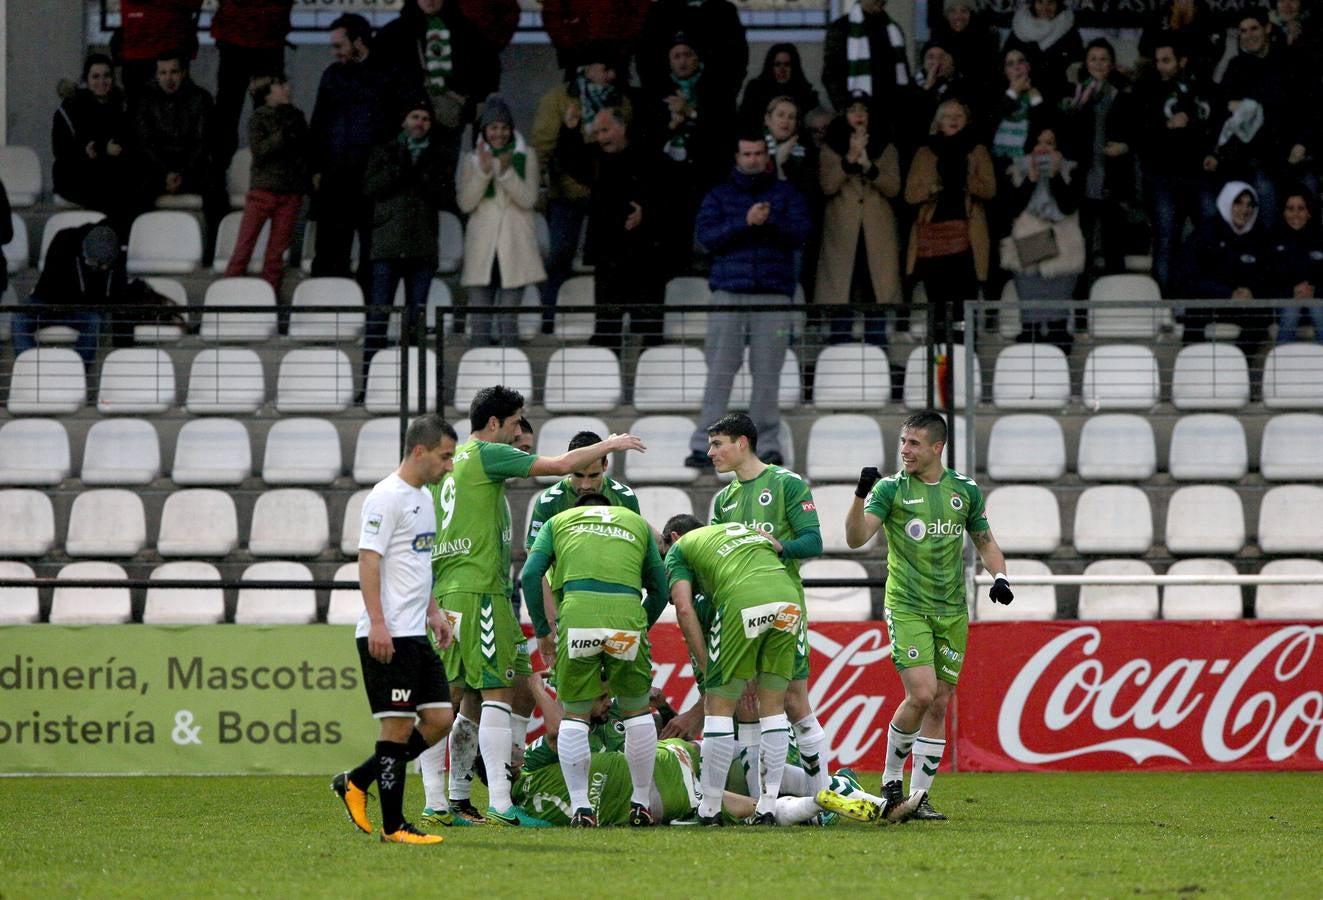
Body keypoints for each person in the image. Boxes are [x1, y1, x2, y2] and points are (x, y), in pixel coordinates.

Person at [430, 384, 646, 826]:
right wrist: (614, 443)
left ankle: (451, 800)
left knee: (461, 695)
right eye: (514, 425)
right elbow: (563, 465)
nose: (516, 435)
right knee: (495, 692)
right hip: (480, 589)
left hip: (449, 588)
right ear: (494, 424)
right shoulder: (486, 453)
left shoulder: (449, 467)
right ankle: (501, 804)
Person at [844, 410, 1013, 821]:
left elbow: (986, 541)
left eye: (914, 443)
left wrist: (1001, 577)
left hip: (952, 609)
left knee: (939, 702)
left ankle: (919, 798)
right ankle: (889, 782)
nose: (905, 450)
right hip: (907, 605)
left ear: (937, 448)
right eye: (903, 442)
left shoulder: (964, 490)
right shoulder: (890, 489)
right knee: (920, 694)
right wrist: (859, 495)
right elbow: (855, 539)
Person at [331, 413, 458, 846]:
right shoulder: (385, 497)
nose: (449, 466)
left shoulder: (424, 499)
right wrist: (379, 624)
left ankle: (357, 780)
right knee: (397, 728)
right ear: (419, 451)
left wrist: (434, 612)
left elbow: (416, 565)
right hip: (387, 634)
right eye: (445, 457)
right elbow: (369, 561)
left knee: (440, 719)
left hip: (415, 631)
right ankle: (394, 826)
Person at [521, 494, 669, 827]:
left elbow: (531, 575)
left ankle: (581, 808)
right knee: (636, 711)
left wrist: (543, 631)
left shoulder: (559, 521)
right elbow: (660, 589)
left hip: (578, 612)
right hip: (626, 613)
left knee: (574, 714)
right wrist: (639, 625)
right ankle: (641, 803)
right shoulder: (637, 523)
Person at [702, 413, 829, 795]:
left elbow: (814, 542)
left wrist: (780, 546)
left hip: (783, 608)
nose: (711, 453)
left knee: (793, 699)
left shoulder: (786, 484)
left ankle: (822, 795)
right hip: (739, 611)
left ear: (742, 443)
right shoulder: (724, 500)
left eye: (717, 444)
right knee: (748, 701)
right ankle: (762, 802)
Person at [661, 514, 802, 825]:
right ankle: (766, 807)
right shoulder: (739, 528)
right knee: (773, 708)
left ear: (671, 539)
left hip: (743, 598)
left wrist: (705, 663)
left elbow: (683, 607)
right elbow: (774, 546)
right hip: (788, 597)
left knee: (718, 706)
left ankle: (709, 810)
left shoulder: (679, 549)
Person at [683, 133, 810, 471]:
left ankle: (765, 445)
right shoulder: (720, 195)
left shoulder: (785, 194)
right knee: (719, 373)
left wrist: (770, 220)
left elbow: (801, 233)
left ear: (766, 155)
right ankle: (706, 445)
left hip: (773, 295)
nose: (752, 159)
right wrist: (745, 221)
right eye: (747, 153)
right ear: (737, 156)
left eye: (758, 153)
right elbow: (704, 239)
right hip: (728, 293)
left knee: (768, 375)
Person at [531, 48, 634, 329]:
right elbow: (543, 145)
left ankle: (605, 323)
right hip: (566, 193)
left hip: (605, 196)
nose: (611, 75)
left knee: (608, 260)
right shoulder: (558, 99)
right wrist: (538, 187)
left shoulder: (621, 101)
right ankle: (549, 320)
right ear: (587, 68)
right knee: (559, 256)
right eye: (605, 68)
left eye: (615, 70)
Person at [374, 0, 501, 213]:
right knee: (404, 187)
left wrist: (472, 103)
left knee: (441, 187)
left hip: (446, 123)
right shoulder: (395, 33)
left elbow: (488, 71)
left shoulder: (467, 31)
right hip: (404, 127)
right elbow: (378, 78)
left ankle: (442, 240)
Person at [308, 14, 407, 284]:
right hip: (336, 179)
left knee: (372, 257)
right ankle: (328, 316)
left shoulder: (390, 73)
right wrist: (316, 168)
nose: (334, 52)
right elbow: (318, 125)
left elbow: (399, 128)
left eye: (339, 45)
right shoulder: (332, 75)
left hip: (374, 181)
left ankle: (366, 319)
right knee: (330, 253)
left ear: (359, 42)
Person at [555, 107, 664, 350]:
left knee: (649, 330)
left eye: (605, 130)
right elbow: (570, 160)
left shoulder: (647, 155)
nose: (601, 137)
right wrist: (571, 130)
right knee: (607, 328)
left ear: (622, 127)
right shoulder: (594, 156)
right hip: (608, 254)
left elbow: (669, 193)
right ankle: (608, 382)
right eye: (597, 132)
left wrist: (647, 212)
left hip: (645, 255)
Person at [362, 101, 450, 375]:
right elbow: (370, 187)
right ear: (404, 121)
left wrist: (422, 173)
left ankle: (412, 382)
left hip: (421, 249)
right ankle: (369, 381)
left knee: (415, 321)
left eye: (425, 118)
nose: (420, 122)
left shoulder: (438, 155)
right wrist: (401, 168)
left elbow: (445, 195)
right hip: (387, 247)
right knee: (377, 319)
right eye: (415, 116)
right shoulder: (385, 151)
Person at [457, 95, 545, 347]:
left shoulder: (526, 156)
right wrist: (484, 172)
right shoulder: (472, 159)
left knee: (509, 324)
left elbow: (528, 199)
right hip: (482, 249)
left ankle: (511, 382)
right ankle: (480, 382)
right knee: (480, 327)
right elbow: (465, 203)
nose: (499, 133)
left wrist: (505, 172)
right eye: (494, 127)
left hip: (514, 248)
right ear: (485, 130)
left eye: (504, 127)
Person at [816, 92, 902, 347]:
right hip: (843, 236)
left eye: (864, 110)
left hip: (876, 235)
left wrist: (869, 167)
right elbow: (827, 186)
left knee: (876, 297)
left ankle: (878, 362)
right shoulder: (830, 146)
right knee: (841, 297)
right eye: (853, 109)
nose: (859, 115)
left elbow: (894, 187)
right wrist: (849, 160)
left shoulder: (886, 146)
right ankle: (838, 359)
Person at [905, 99, 996, 342]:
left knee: (962, 310)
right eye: (947, 116)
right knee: (937, 310)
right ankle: (941, 372)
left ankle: (965, 367)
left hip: (966, 238)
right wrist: (932, 188)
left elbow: (990, 189)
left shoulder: (976, 149)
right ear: (938, 122)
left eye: (959, 115)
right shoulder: (925, 151)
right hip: (934, 238)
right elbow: (910, 194)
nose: (954, 119)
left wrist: (967, 182)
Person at [649, 34, 738, 277]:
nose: (682, 61)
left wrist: (690, 112)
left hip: (706, 177)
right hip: (670, 181)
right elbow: (648, 138)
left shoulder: (716, 88)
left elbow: (725, 132)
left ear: (698, 58)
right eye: (676, 56)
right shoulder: (657, 92)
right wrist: (672, 125)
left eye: (688, 54)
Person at [1132, 38, 1216, 295]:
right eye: (1157, 61)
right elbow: (1138, 133)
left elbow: (1218, 125)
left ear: (1183, 61)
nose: (1160, 66)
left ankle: (1206, 304)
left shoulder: (1205, 88)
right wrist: (1164, 127)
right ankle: (1164, 311)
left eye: (1166, 60)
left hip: (1200, 176)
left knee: (1212, 237)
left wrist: (1209, 146)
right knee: (1166, 241)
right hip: (1163, 178)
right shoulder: (1147, 88)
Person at [1001, 118, 1085, 354]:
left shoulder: (1072, 170)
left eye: (1050, 142)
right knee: (1030, 324)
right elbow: (1012, 208)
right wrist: (1031, 178)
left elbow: (1068, 205)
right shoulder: (1017, 169)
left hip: (1064, 250)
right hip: (1028, 246)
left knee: (1058, 324)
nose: (1043, 148)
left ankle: (1058, 374)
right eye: (1038, 142)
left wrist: (1057, 175)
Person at [223, 74, 308, 295]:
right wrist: (282, 132)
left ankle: (267, 301)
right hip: (263, 191)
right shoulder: (258, 119)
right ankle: (225, 298)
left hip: (289, 193)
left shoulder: (297, 117)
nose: (286, 89)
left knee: (275, 256)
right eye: (280, 86)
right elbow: (260, 152)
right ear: (267, 95)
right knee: (243, 248)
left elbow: (303, 151)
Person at [1061, 39, 1137, 276]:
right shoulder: (1075, 95)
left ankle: (1113, 307)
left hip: (1112, 184)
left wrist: (1126, 147)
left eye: (1104, 59)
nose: (1098, 63)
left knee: (1114, 251)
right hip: (1083, 184)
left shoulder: (1124, 96)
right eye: (1093, 58)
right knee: (1081, 253)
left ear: (1112, 64)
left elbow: (1140, 132)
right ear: (1086, 62)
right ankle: (1080, 311)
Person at [11, 223, 127, 367]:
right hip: (48, 301)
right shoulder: (64, 239)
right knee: (18, 319)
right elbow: (50, 285)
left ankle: (76, 373)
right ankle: (29, 369)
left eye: (100, 266)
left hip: (82, 309)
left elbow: (115, 295)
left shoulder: (115, 253)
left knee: (94, 322)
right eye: (92, 263)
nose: (95, 268)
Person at [1176, 181, 1270, 354]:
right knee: (1194, 316)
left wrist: (1252, 291)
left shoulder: (1260, 235)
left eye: (1249, 205)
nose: (1245, 210)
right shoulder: (1204, 233)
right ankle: (1193, 370)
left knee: (1260, 318)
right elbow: (1188, 278)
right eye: (1238, 203)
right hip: (1208, 301)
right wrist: (1227, 293)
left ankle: (1238, 367)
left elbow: (1268, 274)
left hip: (1242, 303)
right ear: (1227, 202)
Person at [51, 54, 135, 232]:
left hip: (112, 172)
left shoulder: (122, 106)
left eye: (106, 76)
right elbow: (62, 151)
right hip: (76, 175)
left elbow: (128, 143)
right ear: (86, 80)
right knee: (108, 194)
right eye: (95, 77)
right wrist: (95, 151)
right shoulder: (70, 109)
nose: (102, 82)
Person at [209, 0, 293, 173]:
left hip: (253, 33)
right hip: (262, 33)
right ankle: (266, 180)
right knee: (234, 114)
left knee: (234, 113)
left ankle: (220, 177)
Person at [134, 52, 214, 207]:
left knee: (214, 187)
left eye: (174, 72)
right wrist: (165, 173)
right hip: (157, 169)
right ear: (156, 75)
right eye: (163, 73)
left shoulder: (201, 98)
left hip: (192, 168)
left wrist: (181, 173)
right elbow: (145, 144)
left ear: (183, 73)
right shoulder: (145, 100)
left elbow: (201, 143)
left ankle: (216, 231)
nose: (168, 78)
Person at [822, 0, 913, 114]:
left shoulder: (893, 29)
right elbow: (830, 74)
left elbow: (905, 74)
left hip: (891, 112)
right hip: (855, 111)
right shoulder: (841, 28)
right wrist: (845, 109)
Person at [1000, 0, 1082, 104]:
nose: (1045, 7)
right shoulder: (1021, 24)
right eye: (1040, 2)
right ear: (1033, 3)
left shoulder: (1067, 25)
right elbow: (1006, 61)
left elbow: (1077, 63)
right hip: (1024, 92)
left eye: (1050, 2)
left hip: (1058, 94)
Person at [1271, 189, 1323, 343]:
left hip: (1317, 301)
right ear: (1283, 212)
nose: (1296, 214)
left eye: (1301, 208)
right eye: (1290, 209)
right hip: (1284, 303)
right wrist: (1291, 291)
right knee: (1291, 309)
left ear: (1309, 212)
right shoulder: (1272, 239)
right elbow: (1266, 281)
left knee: (1317, 307)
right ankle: (1281, 365)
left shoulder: (1320, 238)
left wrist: (1315, 291)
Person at [738, 44, 821, 132]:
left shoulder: (806, 93)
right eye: (777, 64)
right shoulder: (755, 90)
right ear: (770, 67)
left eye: (787, 64)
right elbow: (745, 123)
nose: (782, 69)